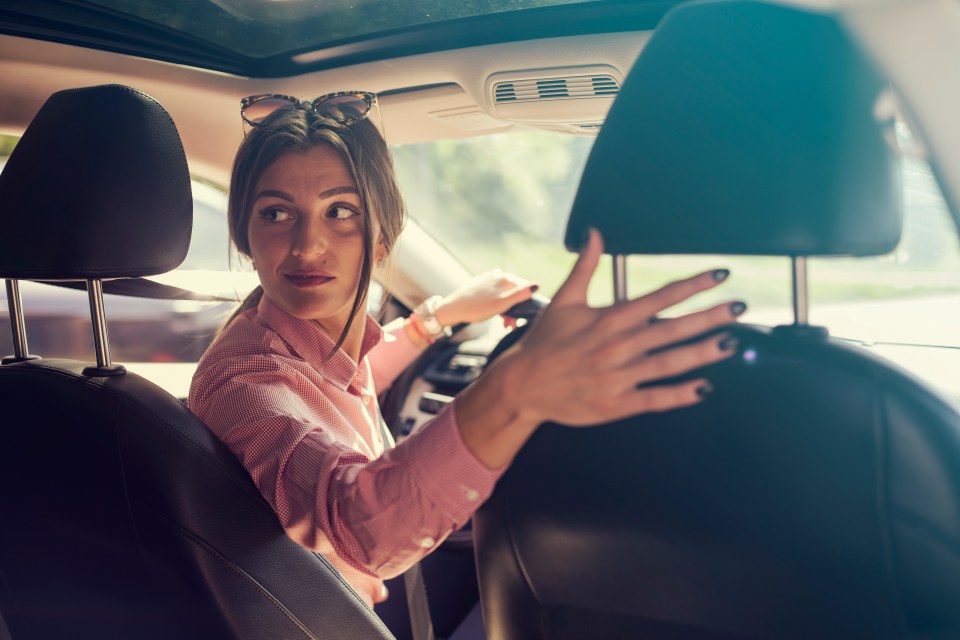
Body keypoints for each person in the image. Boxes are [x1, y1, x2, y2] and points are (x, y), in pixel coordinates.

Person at [188, 92, 745, 608]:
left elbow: (336, 389)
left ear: (384, 236)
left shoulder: (290, 345)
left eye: (341, 211)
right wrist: (513, 392)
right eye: (276, 214)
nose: (307, 245)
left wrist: (436, 318)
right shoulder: (244, 382)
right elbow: (362, 527)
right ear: (244, 233)